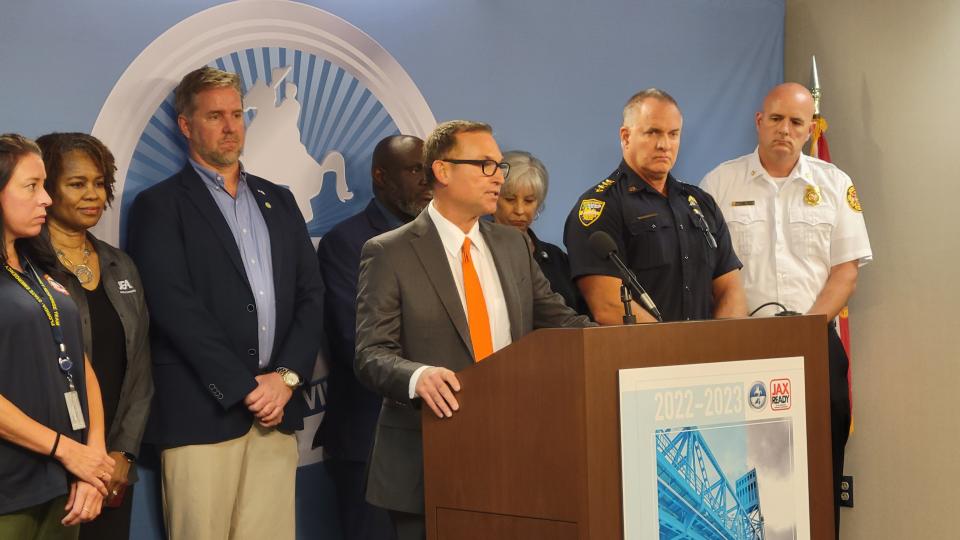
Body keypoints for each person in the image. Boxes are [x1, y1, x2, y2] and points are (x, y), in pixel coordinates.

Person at [354, 120, 595, 540]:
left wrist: (622, 345)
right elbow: (371, 353)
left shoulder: (513, 245)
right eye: (485, 165)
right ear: (443, 171)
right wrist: (417, 376)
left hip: (514, 458)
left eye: (499, 165)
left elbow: (562, 321)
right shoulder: (388, 253)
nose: (499, 176)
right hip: (426, 462)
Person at [126, 66, 325, 540]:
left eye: (237, 114)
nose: (231, 126)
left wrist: (285, 380)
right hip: (202, 414)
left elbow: (310, 296)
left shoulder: (279, 199)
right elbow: (173, 306)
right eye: (215, 115)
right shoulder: (160, 205)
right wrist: (245, 388)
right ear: (186, 125)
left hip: (277, 413)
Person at [700, 82, 872, 539]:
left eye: (797, 122)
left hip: (815, 343)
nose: (785, 130)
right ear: (759, 121)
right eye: (776, 119)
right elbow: (708, 272)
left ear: (810, 128)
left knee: (821, 464)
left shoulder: (835, 184)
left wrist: (807, 331)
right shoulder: (718, 184)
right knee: (747, 473)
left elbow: (846, 273)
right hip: (740, 349)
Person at [36, 132, 153, 540]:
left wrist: (122, 453)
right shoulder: (25, 266)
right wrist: (75, 457)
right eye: (77, 183)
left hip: (112, 469)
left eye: (99, 183)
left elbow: (138, 369)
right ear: (47, 189)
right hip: (47, 468)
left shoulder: (121, 265)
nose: (93, 194)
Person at [314, 134, 430, 540]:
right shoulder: (347, 244)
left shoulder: (443, 238)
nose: (427, 178)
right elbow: (356, 340)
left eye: (429, 166)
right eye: (415, 169)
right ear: (381, 176)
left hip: (444, 434)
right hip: (371, 439)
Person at [0, 133, 115, 538]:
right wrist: (68, 450)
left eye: (45, 186)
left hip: (65, 483)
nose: (46, 199)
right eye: (31, 187)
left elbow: (78, 363)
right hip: (9, 490)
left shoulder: (38, 262)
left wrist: (93, 458)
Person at [563, 88, 747, 324]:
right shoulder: (600, 206)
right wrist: (672, 349)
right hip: (636, 357)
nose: (664, 144)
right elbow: (608, 306)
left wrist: (717, 345)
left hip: (707, 356)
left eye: (673, 134)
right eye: (653, 132)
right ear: (626, 136)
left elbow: (730, 290)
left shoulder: (701, 203)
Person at [492, 150, 587, 314]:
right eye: (509, 199)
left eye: (529, 201)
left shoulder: (557, 258)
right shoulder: (478, 253)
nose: (520, 210)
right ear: (492, 198)